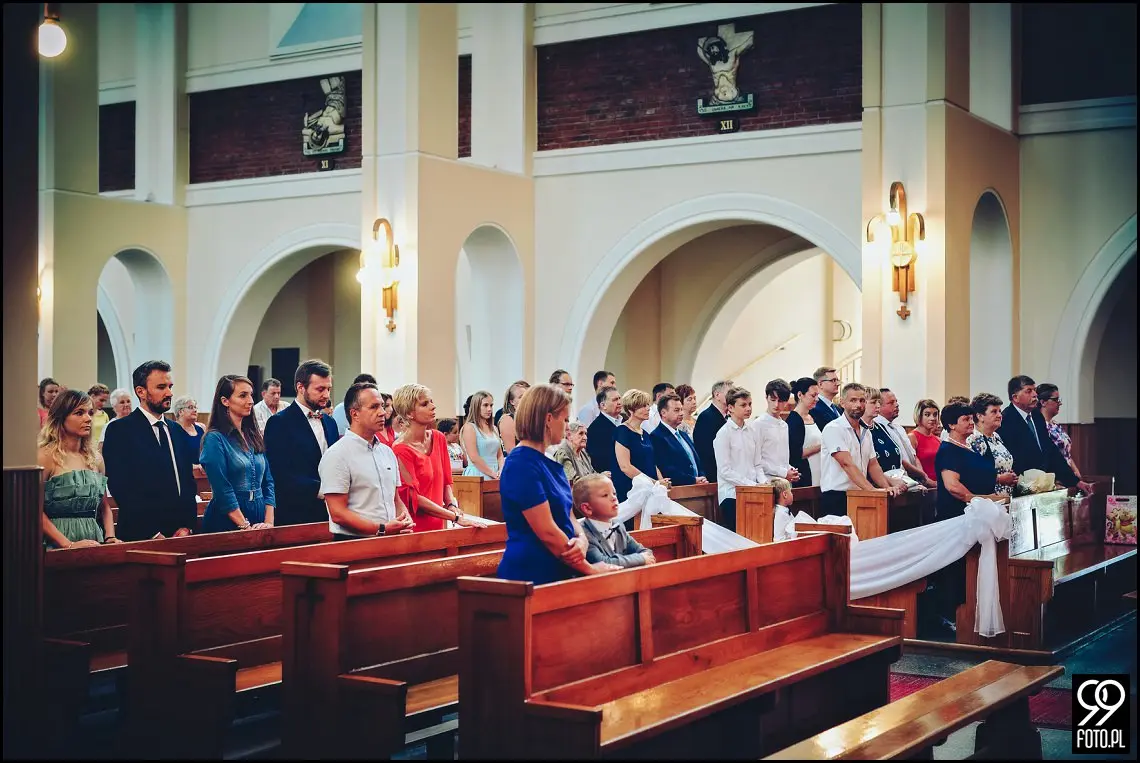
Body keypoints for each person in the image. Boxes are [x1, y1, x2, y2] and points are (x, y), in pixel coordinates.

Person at [495, 384, 618, 583]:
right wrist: (590, 569)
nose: (567, 426)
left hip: (563, 567)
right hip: (532, 574)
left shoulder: (550, 462)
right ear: (548, 419)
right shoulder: (521, 464)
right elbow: (547, 532)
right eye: (565, 419)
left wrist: (582, 539)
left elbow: (568, 514)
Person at [928, 402, 1007, 637]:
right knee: (956, 570)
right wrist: (981, 499)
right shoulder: (948, 450)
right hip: (957, 516)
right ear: (951, 424)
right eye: (965, 419)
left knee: (969, 569)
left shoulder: (967, 447)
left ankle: (970, 613)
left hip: (975, 515)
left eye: (971, 418)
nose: (971, 422)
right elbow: (953, 486)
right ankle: (951, 616)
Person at [101, 360, 198, 540]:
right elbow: (120, 486)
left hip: (180, 534)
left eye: (170, 386)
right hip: (140, 535)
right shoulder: (120, 430)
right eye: (161, 387)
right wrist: (153, 533)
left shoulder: (176, 430)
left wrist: (187, 526)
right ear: (141, 391)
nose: (169, 393)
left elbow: (187, 482)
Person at [318, 382, 415, 539]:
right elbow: (338, 513)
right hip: (354, 542)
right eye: (374, 407)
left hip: (389, 538)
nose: (382, 413)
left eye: (382, 406)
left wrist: (405, 519)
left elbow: (395, 499)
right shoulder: (338, 454)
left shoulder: (387, 452)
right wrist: (381, 528)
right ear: (355, 414)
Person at [392, 384, 487, 532]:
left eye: (431, 401)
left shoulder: (438, 438)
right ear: (409, 413)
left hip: (441, 522)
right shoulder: (400, 449)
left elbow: (446, 481)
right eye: (425, 404)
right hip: (417, 527)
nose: (433, 406)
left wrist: (451, 505)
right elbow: (414, 499)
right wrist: (454, 517)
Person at [264, 359, 341, 526]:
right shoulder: (279, 422)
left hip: (331, 512)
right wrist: (321, 490)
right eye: (320, 389)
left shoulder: (330, 422)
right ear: (300, 387)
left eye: (328, 389)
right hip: (296, 513)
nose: (326, 395)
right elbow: (279, 472)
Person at [38, 389, 118, 549]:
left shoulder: (96, 458)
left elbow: (104, 507)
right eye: (79, 413)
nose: (88, 419)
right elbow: (34, 511)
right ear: (61, 417)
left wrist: (110, 538)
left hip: (93, 540)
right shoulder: (45, 456)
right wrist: (68, 544)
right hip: (56, 543)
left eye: (90, 413)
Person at [200, 375, 277, 533]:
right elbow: (222, 489)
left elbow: (268, 481)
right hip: (227, 519)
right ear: (225, 401)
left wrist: (269, 522)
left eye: (251, 395)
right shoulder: (215, 438)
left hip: (259, 515)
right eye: (243, 396)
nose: (251, 401)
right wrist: (245, 526)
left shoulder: (253, 435)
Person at [818, 383, 905, 517]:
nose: (858, 405)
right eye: (853, 400)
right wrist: (872, 491)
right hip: (837, 496)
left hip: (859, 494)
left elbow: (873, 465)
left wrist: (886, 487)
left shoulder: (866, 430)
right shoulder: (834, 428)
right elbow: (847, 464)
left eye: (862, 400)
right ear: (842, 402)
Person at [997, 375, 1091, 492]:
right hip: (1022, 487)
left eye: (1034, 390)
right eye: (1029, 391)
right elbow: (1013, 459)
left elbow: (1050, 451)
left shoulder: (1037, 416)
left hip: (1042, 485)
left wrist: (1075, 481)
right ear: (1015, 397)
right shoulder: (1005, 420)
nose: (1035, 394)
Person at [712, 386, 767, 532]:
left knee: (756, 534)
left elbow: (757, 464)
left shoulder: (752, 431)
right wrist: (752, 485)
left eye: (750, 404)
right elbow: (725, 471)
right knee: (738, 537)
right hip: (731, 495)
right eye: (743, 405)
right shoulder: (723, 434)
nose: (748, 408)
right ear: (730, 408)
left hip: (753, 493)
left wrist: (764, 483)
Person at [574, 474, 656, 568]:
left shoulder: (618, 525)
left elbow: (646, 552)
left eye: (614, 493)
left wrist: (640, 558)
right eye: (605, 495)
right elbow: (604, 563)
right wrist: (640, 559)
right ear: (587, 508)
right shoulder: (583, 534)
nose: (614, 498)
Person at [613, 389, 666, 502]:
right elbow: (625, 467)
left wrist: (661, 482)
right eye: (643, 406)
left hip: (650, 489)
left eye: (647, 405)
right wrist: (654, 482)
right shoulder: (622, 431)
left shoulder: (645, 433)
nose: (648, 408)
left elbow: (653, 463)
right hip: (632, 491)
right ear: (631, 410)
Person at [876, 388, 935, 488]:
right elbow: (901, 459)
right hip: (898, 479)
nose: (897, 405)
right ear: (879, 406)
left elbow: (913, 455)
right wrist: (922, 476)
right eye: (891, 403)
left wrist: (922, 475)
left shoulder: (898, 427)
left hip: (913, 478)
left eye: (896, 401)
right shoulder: (878, 429)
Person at [1036, 382, 1090, 488]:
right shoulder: (1040, 427)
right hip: (1055, 478)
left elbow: (1066, 453)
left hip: (1067, 474)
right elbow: (1050, 455)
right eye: (1056, 400)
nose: (1059, 403)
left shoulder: (1055, 425)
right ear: (1043, 402)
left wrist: (1075, 471)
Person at [967, 393, 1019, 498]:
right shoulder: (974, 439)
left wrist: (1011, 476)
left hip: (1006, 497)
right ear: (980, 416)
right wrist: (1000, 478)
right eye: (994, 412)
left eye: (1000, 411)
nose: (1000, 415)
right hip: (988, 499)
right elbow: (973, 474)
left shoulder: (996, 436)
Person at [650, 393, 707, 487]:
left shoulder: (684, 434)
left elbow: (697, 461)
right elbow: (666, 469)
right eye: (676, 410)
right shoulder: (656, 436)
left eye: (681, 409)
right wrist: (693, 480)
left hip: (698, 486)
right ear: (663, 413)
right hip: (678, 489)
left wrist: (702, 477)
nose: (681, 413)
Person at [753, 379, 801, 485]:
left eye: (781, 401)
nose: (776, 404)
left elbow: (783, 458)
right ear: (766, 398)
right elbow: (756, 460)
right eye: (773, 399)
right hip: (766, 482)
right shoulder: (758, 424)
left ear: (786, 401)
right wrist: (783, 472)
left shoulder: (784, 425)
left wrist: (791, 470)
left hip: (784, 482)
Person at [694, 379, 733, 482]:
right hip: (714, 474)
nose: (732, 397)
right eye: (729, 393)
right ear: (717, 395)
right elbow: (705, 450)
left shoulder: (729, 417)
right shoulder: (706, 417)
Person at [787, 377, 823, 487]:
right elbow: (795, 454)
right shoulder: (793, 420)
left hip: (820, 472)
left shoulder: (814, 416)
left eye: (817, 395)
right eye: (813, 395)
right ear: (800, 395)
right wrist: (822, 446)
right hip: (806, 475)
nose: (817, 399)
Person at [461, 390, 504, 479]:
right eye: (485, 405)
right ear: (476, 407)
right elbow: (474, 457)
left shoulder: (494, 428)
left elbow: (500, 455)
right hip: (478, 473)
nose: (489, 409)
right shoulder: (469, 427)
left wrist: (501, 470)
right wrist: (492, 473)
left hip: (496, 473)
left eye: (491, 405)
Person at [585, 386, 622, 475]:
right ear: (603, 405)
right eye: (615, 400)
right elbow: (600, 461)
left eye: (619, 398)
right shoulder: (595, 429)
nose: (619, 402)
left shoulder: (626, 420)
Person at [552, 420, 599, 485]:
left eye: (585, 434)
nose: (585, 438)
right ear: (569, 436)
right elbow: (573, 482)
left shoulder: (583, 452)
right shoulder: (563, 454)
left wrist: (602, 477)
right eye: (581, 433)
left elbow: (592, 472)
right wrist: (599, 479)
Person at [170, 394, 206, 469]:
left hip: (204, 472)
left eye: (195, 407)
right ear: (180, 412)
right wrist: (193, 466)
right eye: (191, 407)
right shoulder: (172, 430)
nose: (195, 410)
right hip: (184, 471)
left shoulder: (201, 428)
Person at [909, 399, 941, 483]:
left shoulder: (938, 440)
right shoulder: (912, 437)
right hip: (922, 485)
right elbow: (911, 466)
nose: (932, 418)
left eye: (935, 414)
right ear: (919, 416)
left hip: (939, 484)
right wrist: (929, 482)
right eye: (927, 415)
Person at [496, 380, 530, 455]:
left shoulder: (527, 418)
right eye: (520, 397)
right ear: (512, 402)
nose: (525, 399)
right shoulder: (507, 419)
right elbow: (511, 451)